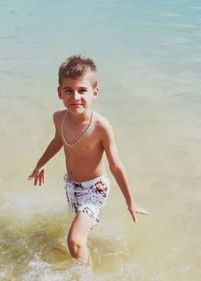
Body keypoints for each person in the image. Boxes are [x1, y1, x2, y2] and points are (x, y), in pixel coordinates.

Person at [28, 55, 150, 267]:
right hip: (71, 185)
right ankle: (91, 242)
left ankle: (86, 276)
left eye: (82, 90)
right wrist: (41, 163)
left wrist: (130, 202)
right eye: (68, 90)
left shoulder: (101, 127)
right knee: (79, 231)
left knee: (74, 241)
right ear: (59, 93)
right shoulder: (59, 117)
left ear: (95, 92)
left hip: (95, 190)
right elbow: (58, 141)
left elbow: (116, 165)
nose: (75, 97)